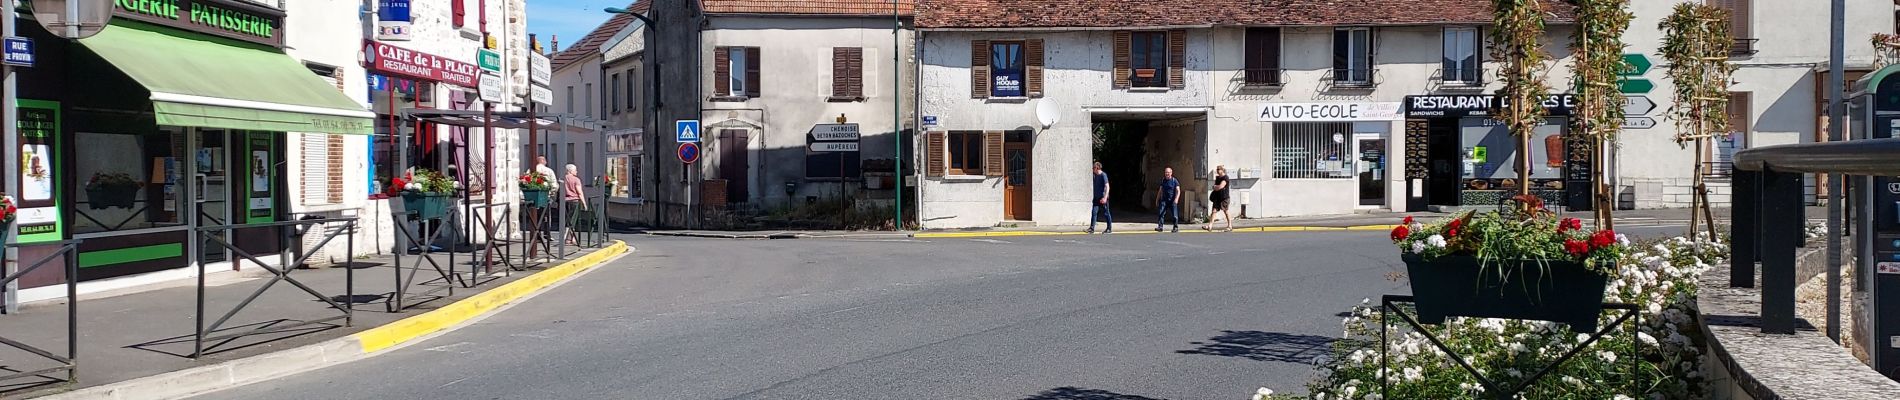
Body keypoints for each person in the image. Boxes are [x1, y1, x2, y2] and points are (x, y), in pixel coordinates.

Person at [562, 164, 587, 245]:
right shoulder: (576, 180)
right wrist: (584, 203)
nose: (576, 171)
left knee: (568, 219)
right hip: (574, 201)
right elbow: (579, 192)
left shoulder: (563, 179)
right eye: (575, 170)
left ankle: (571, 238)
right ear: (570, 171)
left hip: (565, 201)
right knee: (573, 220)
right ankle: (566, 237)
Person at [1204, 165, 1233, 232]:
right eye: (1217, 169)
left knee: (1225, 211)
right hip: (1217, 197)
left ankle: (1230, 226)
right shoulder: (1217, 178)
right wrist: (1215, 187)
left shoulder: (1225, 178)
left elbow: (1221, 186)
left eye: (1218, 169)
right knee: (1214, 211)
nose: (1217, 170)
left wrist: (1214, 187)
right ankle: (1210, 226)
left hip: (1224, 198)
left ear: (1222, 170)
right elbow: (1217, 187)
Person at [1088, 161, 1112, 234]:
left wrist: (1105, 197)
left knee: (1106, 213)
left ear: (1097, 168)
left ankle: (1109, 228)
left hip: (1102, 198)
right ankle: (1092, 228)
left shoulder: (1103, 175)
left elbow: (1107, 186)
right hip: (1096, 197)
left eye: (1093, 168)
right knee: (1094, 212)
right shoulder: (1095, 176)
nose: (1092, 170)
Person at [1155, 167, 1181, 232]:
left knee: (1175, 215)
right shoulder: (1163, 180)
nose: (1167, 174)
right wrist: (1157, 199)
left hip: (1172, 201)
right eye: (1166, 172)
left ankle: (1175, 227)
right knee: (1161, 213)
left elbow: (1178, 190)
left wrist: (1176, 199)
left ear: (1171, 173)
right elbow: (1160, 190)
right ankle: (1160, 227)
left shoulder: (1174, 181)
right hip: (1164, 200)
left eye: (1168, 172)